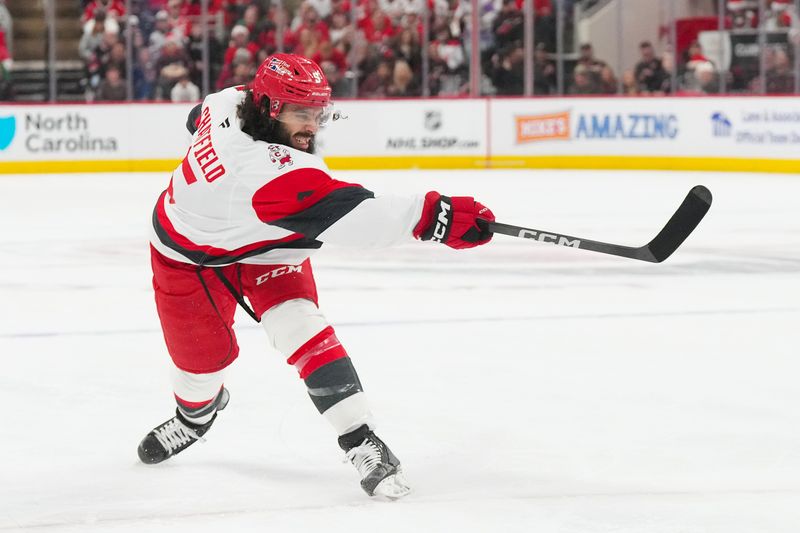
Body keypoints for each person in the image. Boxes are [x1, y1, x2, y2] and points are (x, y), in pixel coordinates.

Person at [137, 53, 495, 500]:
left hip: (261, 238)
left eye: (317, 112)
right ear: (268, 108)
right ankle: (195, 416)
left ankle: (361, 438)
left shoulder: (227, 100)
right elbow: (366, 219)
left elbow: (198, 120)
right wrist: (440, 216)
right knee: (199, 364)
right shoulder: (268, 176)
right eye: (300, 112)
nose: (312, 124)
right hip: (185, 256)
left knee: (299, 323)